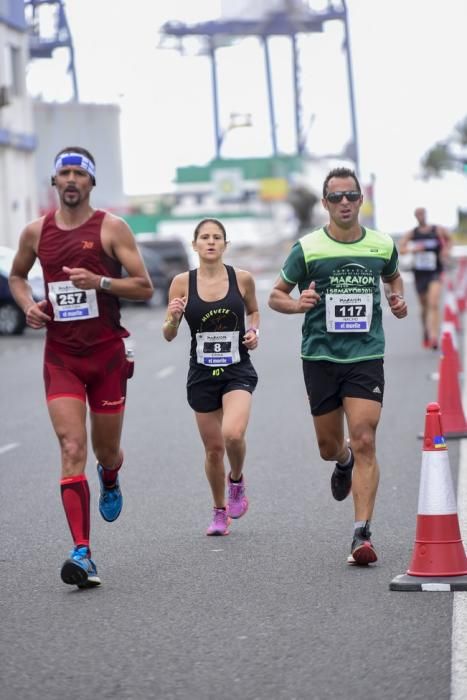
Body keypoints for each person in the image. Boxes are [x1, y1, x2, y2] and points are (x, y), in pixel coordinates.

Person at [9, 147, 153, 587]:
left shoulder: (112, 228)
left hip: (107, 355)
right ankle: (82, 552)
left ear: (91, 182)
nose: (71, 179)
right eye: (64, 173)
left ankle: (110, 475)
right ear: (54, 182)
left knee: (105, 451)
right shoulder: (36, 232)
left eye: (79, 173)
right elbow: (16, 276)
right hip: (62, 358)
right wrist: (28, 306)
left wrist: (101, 282)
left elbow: (145, 287)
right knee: (72, 447)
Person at [268, 166, 407, 565]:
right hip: (321, 357)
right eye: (336, 197)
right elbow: (276, 295)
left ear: (361, 199)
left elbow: (394, 280)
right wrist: (297, 305)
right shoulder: (308, 249)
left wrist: (397, 300)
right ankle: (341, 461)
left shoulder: (382, 245)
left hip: (365, 355)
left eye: (351, 196)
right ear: (326, 204)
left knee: (364, 438)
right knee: (330, 445)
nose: (344, 203)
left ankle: (361, 534)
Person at [162, 218, 259, 536]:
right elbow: (168, 333)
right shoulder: (181, 283)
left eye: (217, 237)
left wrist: (254, 331)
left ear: (225, 245)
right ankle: (219, 512)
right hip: (202, 374)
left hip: (237, 370)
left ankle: (237, 480)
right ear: (195, 245)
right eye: (204, 237)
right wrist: (174, 318)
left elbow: (253, 311)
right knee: (214, 449)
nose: (211, 242)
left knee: (232, 434)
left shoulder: (241, 278)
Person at [398, 207, 452, 349]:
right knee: (424, 306)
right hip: (420, 273)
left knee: (434, 303)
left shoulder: (437, 230)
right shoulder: (412, 233)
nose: (420, 216)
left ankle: (434, 336)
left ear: (426, 215)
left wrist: (446, 250)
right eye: (418, 214)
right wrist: (413, 249)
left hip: (435, 271)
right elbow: (401, 249)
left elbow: (449, 239)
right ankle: (426, 331)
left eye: (422, 214)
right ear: (415, 217)